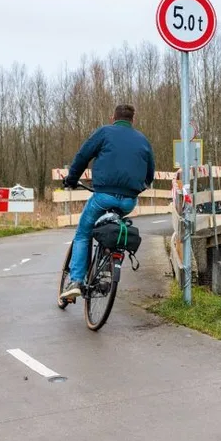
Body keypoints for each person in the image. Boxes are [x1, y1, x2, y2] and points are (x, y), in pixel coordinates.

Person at [59, 104, 155, 302]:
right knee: (113, 226)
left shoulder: (104, 132)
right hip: (129, 201)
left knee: (83, 233)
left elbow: (83, 156)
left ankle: (75, 281)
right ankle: (106, 262)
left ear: (113, 117)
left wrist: (71, 178)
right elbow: (150, 174)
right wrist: (137, 188)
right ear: (132, 120)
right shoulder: (143, 140)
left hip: (103, 196)